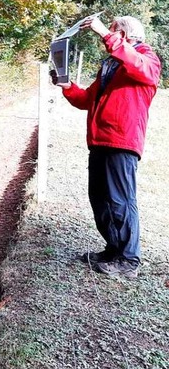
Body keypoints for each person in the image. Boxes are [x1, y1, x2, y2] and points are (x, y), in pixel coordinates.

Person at [51, 15, 161, 278]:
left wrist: (104, 34)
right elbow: (88, 99)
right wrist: (67, 86)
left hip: (122, 141)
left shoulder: (147, 57)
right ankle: (113, 250)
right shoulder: (111, 65)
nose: (107, 36)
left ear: (126, 34)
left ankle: (128, 259)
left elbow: (142, 68)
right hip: (99, 140)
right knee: (100, 200)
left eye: (113, 30)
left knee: (121, 201)